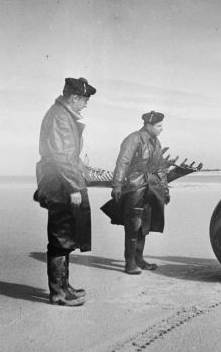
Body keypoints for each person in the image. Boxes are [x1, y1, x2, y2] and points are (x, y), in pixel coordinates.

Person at [34, 77, 97, 306]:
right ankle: (59, 293)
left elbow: (68, 155)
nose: (86, 104)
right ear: (74, 97)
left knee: (67, 235)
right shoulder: (60, 116)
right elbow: (61, 155)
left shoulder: (62, 114)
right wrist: (73, 186)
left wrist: (80, 170)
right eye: (84, 100)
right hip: (60, 183)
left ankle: (64, 286)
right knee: (61, 236)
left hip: (61, 180)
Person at [111, 111, 170, 274]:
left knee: (144, 224)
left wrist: (164, 189)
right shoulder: (133, 139)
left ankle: (139, 259)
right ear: (148, 125)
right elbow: (122, 162)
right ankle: (130, 263)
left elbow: (160, 168)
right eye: (159, 126)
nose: (161, 129)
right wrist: (116, 184)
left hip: (151, 188)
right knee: (133, 224)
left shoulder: (156, 142)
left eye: (161, 126)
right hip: (134, 186)